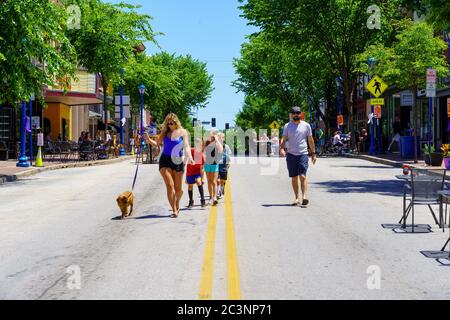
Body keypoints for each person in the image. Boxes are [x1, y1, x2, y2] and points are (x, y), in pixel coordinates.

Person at [145, 113, 194, 218]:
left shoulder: (183, 132)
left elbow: (186, 146)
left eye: (172, 123)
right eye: (168, 123)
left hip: (177, 161)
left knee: (179, 189)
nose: (170, 125)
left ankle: (177, 203)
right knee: (170, 186)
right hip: (165, 160)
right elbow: (157, 144)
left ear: (176, 122)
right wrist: (149, 140)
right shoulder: (164, 133)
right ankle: (174, 210)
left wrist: (190, 157)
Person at [280, 106, 317, 207]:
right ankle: (296, 198)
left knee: (302, 176)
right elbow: (283, 139)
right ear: (291, 115)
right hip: (291, 154)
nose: (296, 114)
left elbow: (310, 139)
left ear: (301, 114)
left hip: (303, 154)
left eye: (298, 113)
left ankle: (304, 197)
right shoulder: (287, 126)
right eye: (294, 113)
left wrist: (313, 153)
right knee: (294, 177)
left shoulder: (306, 125)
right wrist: (282, 149)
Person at [204, 130, 224, 206]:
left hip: (215, 164)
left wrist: (216, 140)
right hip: (207, 163)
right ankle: (210, 197)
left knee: (214, 181)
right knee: (209, 181)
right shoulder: (207, 142)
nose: (211, 136)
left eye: (213, 134)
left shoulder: (217, 143)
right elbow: (204, 152)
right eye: (210, 134)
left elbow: (221, 150)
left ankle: (215, 197)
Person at [186, 138, 206, 208]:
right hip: (190, 171)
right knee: (190, 186)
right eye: (197, 143)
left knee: (199, 182)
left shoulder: (202, 155)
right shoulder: (191, 150)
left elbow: (202, 168)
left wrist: (202, 178)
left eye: (200, 144)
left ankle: (203, 201)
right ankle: (191, 201)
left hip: (197, 172)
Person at [217, 132, 232, 199]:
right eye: (219, 137)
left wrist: (228, 164)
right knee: (218, 180)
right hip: (217, 165)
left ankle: (222, 189)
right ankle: (218, 192)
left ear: (224, 139)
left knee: (223, 180)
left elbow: (229, 156)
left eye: (222, 137)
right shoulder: (215, 146)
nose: (221, 139)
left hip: (224, 165)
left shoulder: (226, 147)